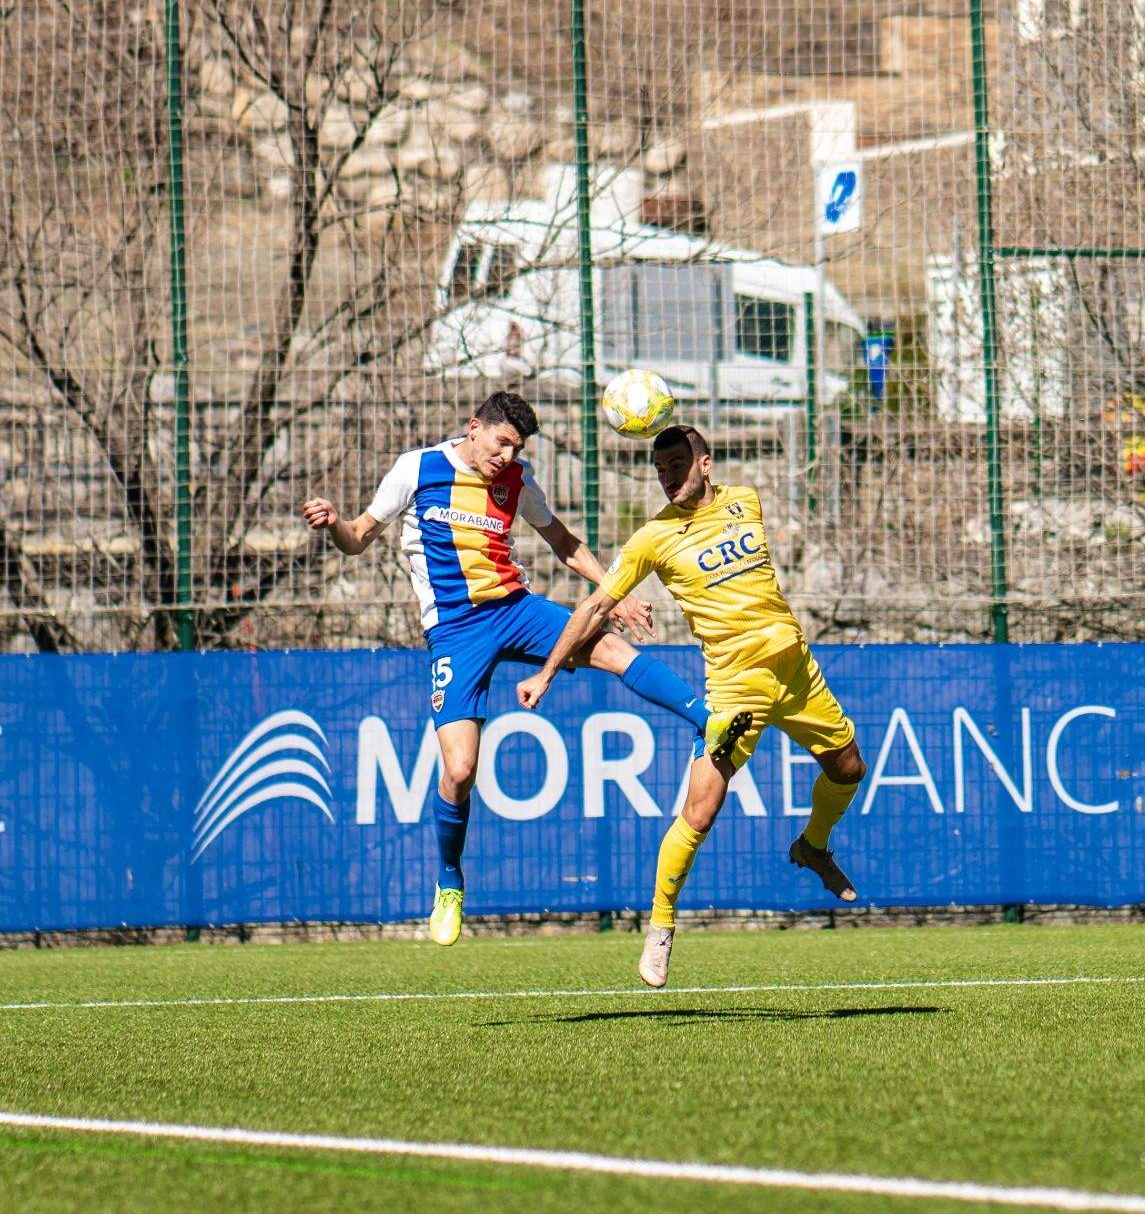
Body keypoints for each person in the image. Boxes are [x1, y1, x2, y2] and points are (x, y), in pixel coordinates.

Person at [301, 394, 749, 947]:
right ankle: (448, 881)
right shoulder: (418, 468)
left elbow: (562, 541)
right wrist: (334, 523)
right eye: (501, 443)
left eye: (516, 447)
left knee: (611, 649)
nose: (507, 455)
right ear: (473, 429)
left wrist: (619, 596)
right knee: (460, 770)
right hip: (454, 632)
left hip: (515, 609)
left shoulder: (517, 478)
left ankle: (710, 720)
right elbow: (358, 538)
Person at [517, 423, 866, 987]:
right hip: (736, 688)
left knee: (849, 767)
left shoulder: (745, 502)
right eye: (659, 469)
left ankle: (812, 846)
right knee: (699, 812)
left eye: (678, 464)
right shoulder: (652, 538)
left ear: (705, 464)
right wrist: (547, 672)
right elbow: (593, 607)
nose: (667, 477)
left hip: (796, 667)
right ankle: (660, 927)